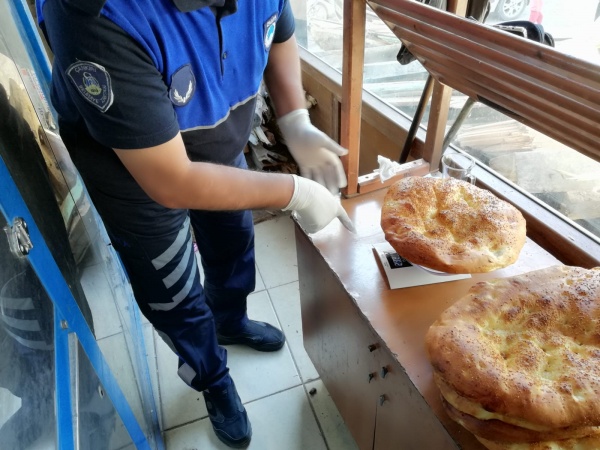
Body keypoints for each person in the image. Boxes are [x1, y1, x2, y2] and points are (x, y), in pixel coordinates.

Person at [37, 0, 353, 447]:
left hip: (214, 138)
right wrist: (294, 192)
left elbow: (277, 28)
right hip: (134, 172)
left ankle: (230, 319)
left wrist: (295, 119)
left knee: (233, 240)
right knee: (171, 288)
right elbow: (172, 181)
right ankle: (212, 377)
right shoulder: (96, 14)